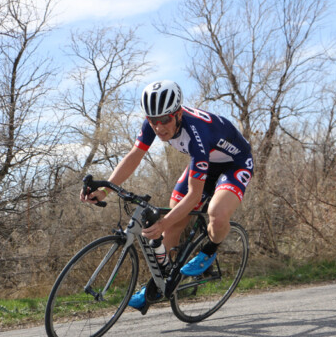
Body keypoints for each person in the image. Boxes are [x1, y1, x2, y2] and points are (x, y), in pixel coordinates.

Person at [81, 80, 253, 311]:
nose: (159, 127)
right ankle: (158, 285)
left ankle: (210, 251)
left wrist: (162, 223)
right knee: (172, 225)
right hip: (206, 163)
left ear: (178, 114)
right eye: (153, 120)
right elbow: (135, 156)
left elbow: (194, 196)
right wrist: (105, 190)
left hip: (235, 164)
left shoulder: (197, 133)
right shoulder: (153, 123)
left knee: (216, 213)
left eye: (165, 120)